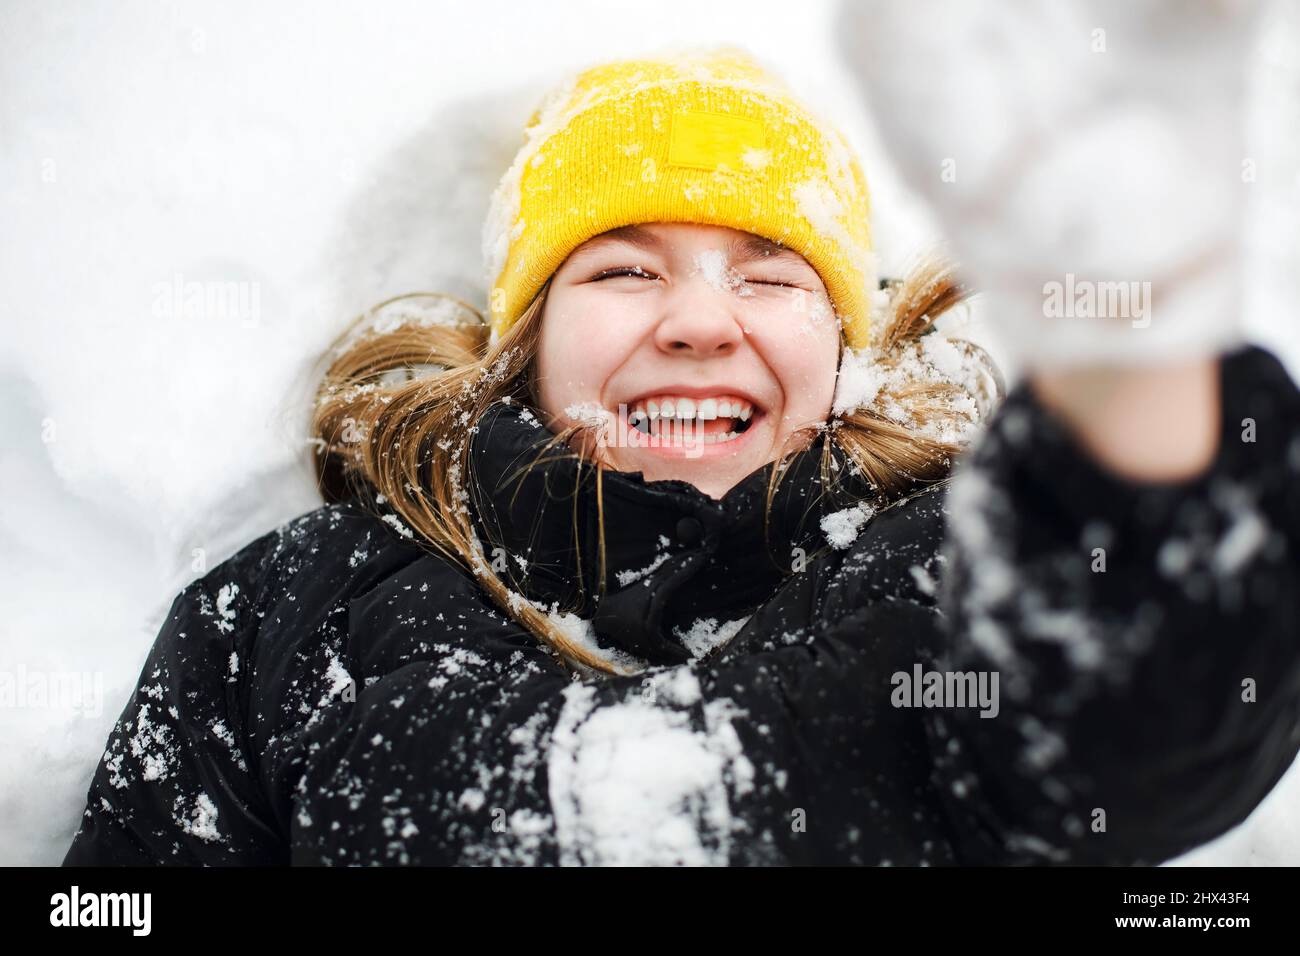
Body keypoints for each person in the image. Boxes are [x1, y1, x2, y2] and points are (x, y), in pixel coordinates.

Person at [63, 47, 1299, 866]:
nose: (703, 319)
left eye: (770, 277)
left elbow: (1139, 722)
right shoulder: (301, 606)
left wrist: (1142, 406)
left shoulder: (947, 561)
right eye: (623, 269)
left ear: (845, 348)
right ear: (526, 340)